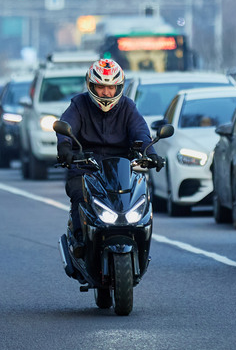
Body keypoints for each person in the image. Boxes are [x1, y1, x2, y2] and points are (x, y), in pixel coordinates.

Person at [56, 59, 163, 253]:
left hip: (120, 170)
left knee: (138, 195)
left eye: (111, 88)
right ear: (91, 86)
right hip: (85, 168)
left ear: (119, 87)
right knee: (80, 195)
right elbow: (66, 126)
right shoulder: (79, 104)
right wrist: (64, 147)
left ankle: (140, 240)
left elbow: (141, 131)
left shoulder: (128, 107)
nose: (106, 93)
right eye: (101, 87)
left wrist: (151, 154)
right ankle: (81, 240)